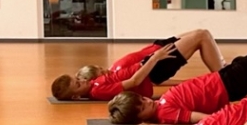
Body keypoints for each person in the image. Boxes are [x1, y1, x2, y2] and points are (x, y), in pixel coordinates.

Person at [105, 42, 247, 125]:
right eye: (141, 108)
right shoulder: (165, 113)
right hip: (229, 83)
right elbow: (201, 118)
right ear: (140, 120)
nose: (146, 101)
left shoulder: (160, 105)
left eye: (141, 99)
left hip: (225, 77)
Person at [49, 29, 222, 102]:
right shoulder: (97, 90)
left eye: (78, 79)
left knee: (200, 33)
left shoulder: (94, 84)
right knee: (202, 35)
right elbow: (133, 82)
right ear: (76, 96)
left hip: (152, 57)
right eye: (78, 84)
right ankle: (224, 76)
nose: (82, 80)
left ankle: (224, 71)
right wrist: (154, 58)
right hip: (153, 64)